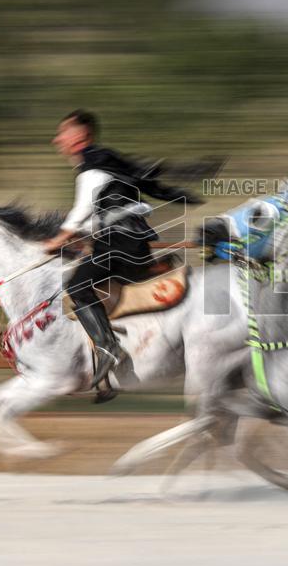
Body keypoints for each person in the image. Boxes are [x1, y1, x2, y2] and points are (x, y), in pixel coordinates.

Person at [43, 109, 200, 390]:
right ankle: (153, 271)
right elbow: (99, 214)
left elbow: (84, 207)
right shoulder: (106, 165)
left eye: (63, 133)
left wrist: (61, 237)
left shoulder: (91, 164)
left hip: (119, 244)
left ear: (80, 136)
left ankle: (108, 348)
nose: (58, 140)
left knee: (77, 287)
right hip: (127, 242)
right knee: (95, 279)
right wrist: (77, 237)